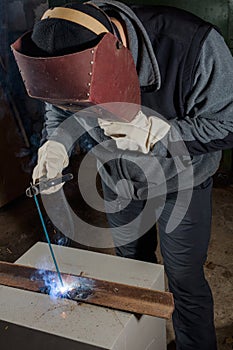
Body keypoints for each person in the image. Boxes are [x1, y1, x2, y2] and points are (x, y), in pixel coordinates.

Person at [11, 1, 233, 349]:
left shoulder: (193, 45)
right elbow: (58, 109)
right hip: (119, 181)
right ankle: (144, 339)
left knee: (184, 281)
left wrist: (161, 134)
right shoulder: (64, 52)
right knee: (133, 271)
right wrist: (55, 146)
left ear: (118, 54)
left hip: (182, 183)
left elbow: (228, 123)